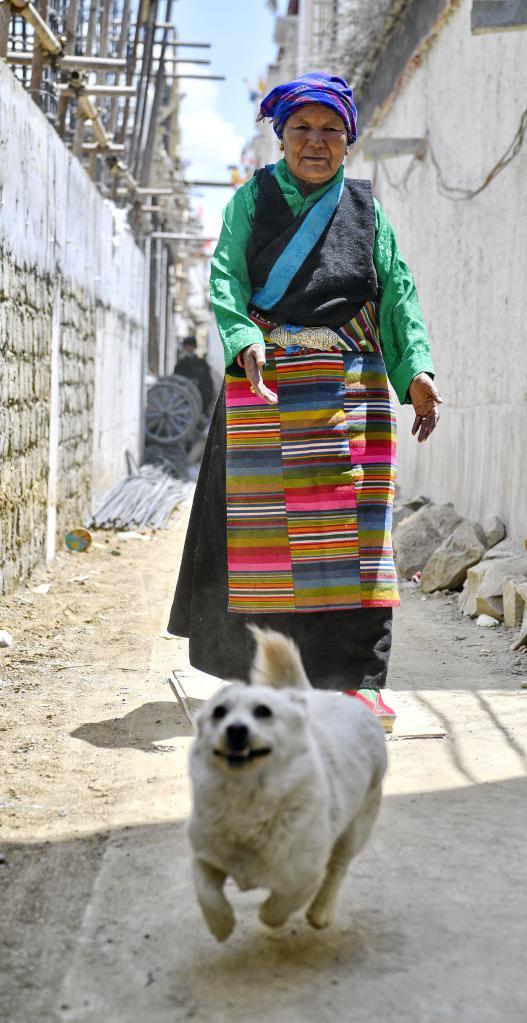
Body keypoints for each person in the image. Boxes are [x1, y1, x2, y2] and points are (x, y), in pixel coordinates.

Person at [168, 73, 441, 732]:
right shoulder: (252, 200)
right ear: (281, 136)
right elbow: (226, 276)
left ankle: (358, 683)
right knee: (265, 545)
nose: (316, 142)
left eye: (330, 131)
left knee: (357, 545)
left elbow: (397, 293)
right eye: (302, 129)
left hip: (354, 388)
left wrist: (417, 371)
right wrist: (242, 339)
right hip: (266, 387)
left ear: (348, 140)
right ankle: (268, 680)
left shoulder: (367, 211)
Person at [174, 335, 215, 415]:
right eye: (187, 346)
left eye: (191, 346)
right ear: (185, 347)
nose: (189, 348)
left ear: (194, 347)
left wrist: (209, 394)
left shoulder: (202, 363)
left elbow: (208, 381)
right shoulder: (181, 364)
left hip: (202, 396)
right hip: (186, 397)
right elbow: (177, 379)